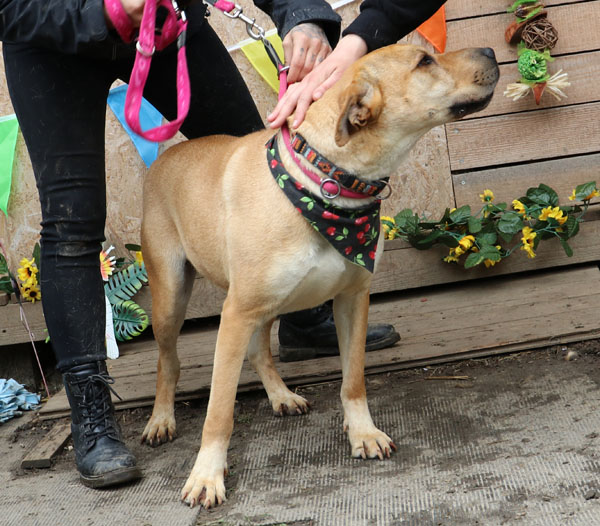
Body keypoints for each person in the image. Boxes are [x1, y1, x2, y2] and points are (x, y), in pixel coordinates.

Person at [0, 0, 443, 490]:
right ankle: (91, 410)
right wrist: (105, 14)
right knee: (71, 221)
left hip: (169, 25)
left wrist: (301, 15)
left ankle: (303, 317)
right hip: (49, 41)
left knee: (258, 153)